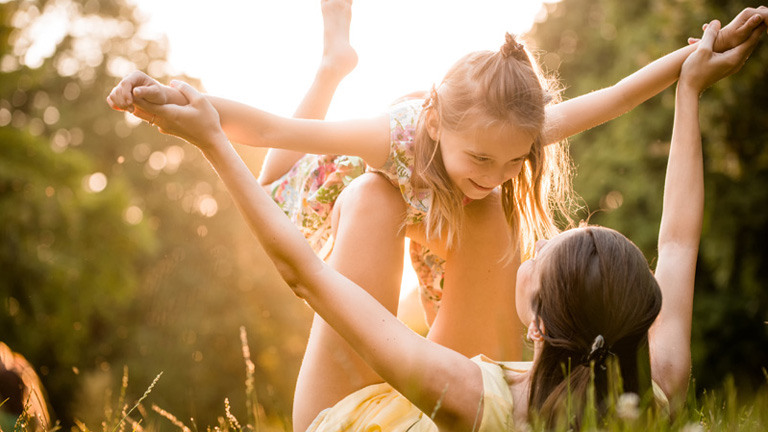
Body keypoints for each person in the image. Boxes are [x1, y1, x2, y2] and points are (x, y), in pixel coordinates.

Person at [107, 5, 768, 429]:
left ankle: (331, 65)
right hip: (337, 191)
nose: (503, 176)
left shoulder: (472, 395)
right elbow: (677, 241)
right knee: (405, 198)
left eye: (541, 262)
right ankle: (332, 67)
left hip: (358, 374)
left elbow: (301, 269)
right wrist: (690, 77)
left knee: (383, 200)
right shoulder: (653, 390)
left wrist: (197, 123)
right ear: (637, 317)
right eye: (485, 158)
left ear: (539, 321)